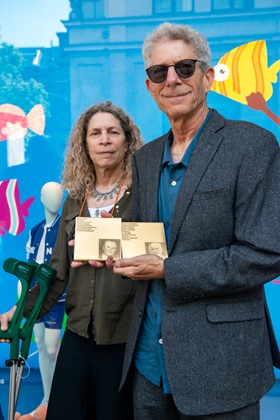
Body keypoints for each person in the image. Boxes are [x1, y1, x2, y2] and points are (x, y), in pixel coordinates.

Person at [106, 23, 280, 419]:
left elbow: (267, 253)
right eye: (158, 72)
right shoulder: (145, 158)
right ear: (150, 87)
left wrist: (167, 269)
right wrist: (105, 248)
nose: (172, 80)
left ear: (207, 76)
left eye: (184, 68)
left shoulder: (252, 144)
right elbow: (150, 240)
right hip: (148, 365)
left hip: (223, 364)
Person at [0, 101, 144, 420]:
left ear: (127, 140)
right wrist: (18, 310)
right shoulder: (75, 198)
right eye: (95, 133)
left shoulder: (144, 194)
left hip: (124, 338)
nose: (104, 139)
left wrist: (113, 240)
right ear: (85, 144)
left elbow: (158, 254)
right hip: (79, 333)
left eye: (113, 132)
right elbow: (56, 274)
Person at [25, 182, 64, 412]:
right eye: (50, 195)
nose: (56, 199)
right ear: (41, 198)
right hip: (33, 295)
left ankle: (59, 395)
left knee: (52, 348)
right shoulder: (35, 230)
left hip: (55, 297)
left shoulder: (65, 229)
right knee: (40, 344)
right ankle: (47, 397)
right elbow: (29, 264)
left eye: (59, 195)